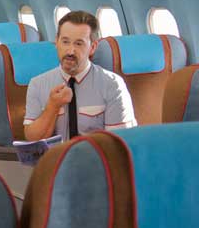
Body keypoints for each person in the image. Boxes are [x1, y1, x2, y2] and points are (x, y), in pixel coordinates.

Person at [24, 10, 137, 141]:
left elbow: (117, 143)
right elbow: (32, 139)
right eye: (65, 42)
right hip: (55, 154)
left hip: (95, 153)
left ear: (92, 47)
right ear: (56, 42)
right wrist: (53, 106)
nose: (70, 51)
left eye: (78, 44)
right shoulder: (37, 84)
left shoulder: (112, 85)